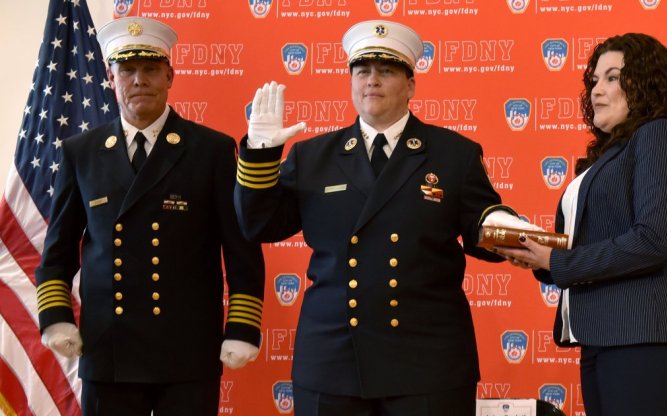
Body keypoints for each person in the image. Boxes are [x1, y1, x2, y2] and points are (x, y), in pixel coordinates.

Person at [234, 19, 529, 416]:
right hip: (333, 360)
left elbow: (483, 230)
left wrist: (507, 229)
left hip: (426, 361)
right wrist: (259, 154)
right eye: (362, 71)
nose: (371, 80)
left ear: (410, 85)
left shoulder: (452, 154)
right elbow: (259, 225)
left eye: (386, 71)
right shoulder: (313, 156)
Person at [35, 17, 265, 416]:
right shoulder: (82, 152)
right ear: (112, 77)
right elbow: (57, 250)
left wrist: (242, 327)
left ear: (170, 76)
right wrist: (56, 317)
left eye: (150, 69)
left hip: (187, 352)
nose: (139, 80)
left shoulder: (210, 150)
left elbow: (242, 249)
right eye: (128, 70)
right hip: (109, 350)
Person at [495, 33, 667, 416]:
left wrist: (558, 262)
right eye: (594, 80)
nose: (597, 90)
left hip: (647, 333)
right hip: (605, 334)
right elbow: (592, 242)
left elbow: (654, 239)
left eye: (613, 77)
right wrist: (538, 255)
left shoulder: (662, 134)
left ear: (646, 83)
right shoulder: (609, 155)